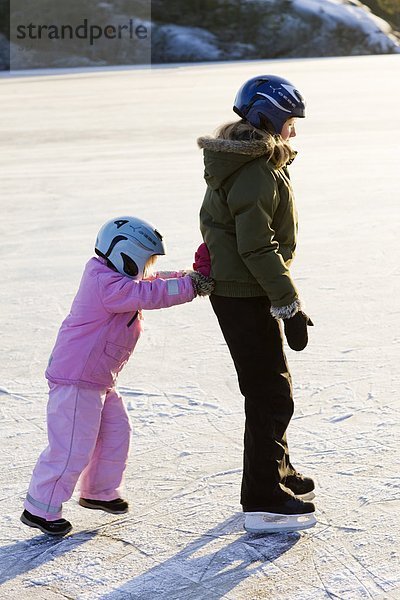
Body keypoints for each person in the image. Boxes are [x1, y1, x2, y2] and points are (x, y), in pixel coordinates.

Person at [21, 216, 214, 536]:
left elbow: (150, 284)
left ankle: (98, 492)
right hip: (77, 379)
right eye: (147, 262)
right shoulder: (105, 283)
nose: (149, 269)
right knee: (70, 447)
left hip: (97, 379)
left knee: (116, 432)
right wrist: (191, 287)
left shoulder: (114, 277)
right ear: (128, 254)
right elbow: (148, 294)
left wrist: (189, 277)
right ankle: (40, 508)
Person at [196, 75, 316, 533]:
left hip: (244, 288)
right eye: (288, 122)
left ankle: (276, 473)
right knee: (267, 392)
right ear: (267, 117)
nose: (293, 131)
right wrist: (288, 304)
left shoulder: (253, 161)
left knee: (272, 388)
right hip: (242, 292)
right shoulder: (255, 169)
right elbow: (256, 246)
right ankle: (263, 497)